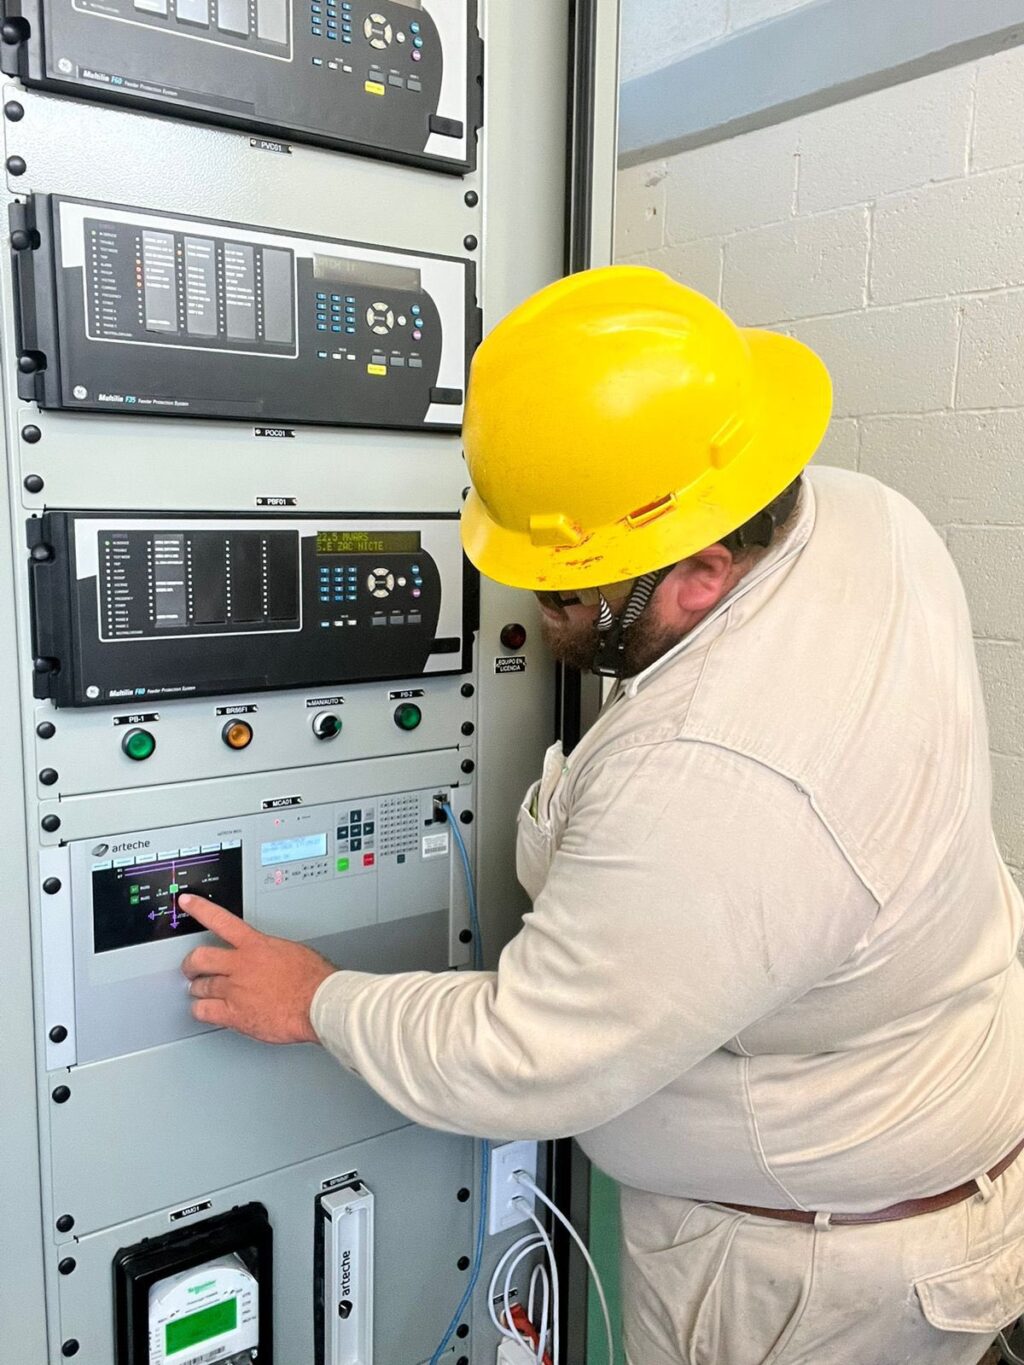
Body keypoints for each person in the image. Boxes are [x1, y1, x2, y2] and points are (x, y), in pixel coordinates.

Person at [181, 267, 1024, 1365]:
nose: (535, 614)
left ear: (704, 574)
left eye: (566, 593)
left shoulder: (718, 787)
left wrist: (318, 1002)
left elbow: (527, 1056)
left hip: (812, 1283)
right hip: (915, 1153)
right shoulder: (866, 517)